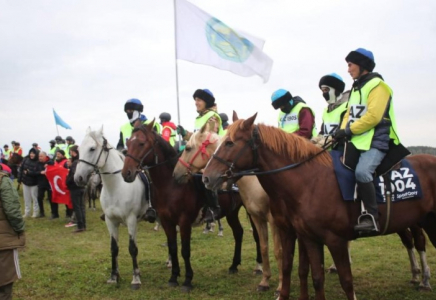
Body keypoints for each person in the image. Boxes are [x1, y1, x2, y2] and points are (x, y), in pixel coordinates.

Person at [335, 48, 401, 232]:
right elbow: (349, 113)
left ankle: (372, 217)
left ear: (362, 65)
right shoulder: (357, 88)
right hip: (356, 141)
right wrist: (341, 131)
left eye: (350, 65)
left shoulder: (378, 86)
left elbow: (374, 117)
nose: (348, 70)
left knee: (362, 173)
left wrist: (348, 130)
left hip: (376, 142)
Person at [177, 89, 223, 222]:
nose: (196, 103)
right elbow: (197, 138)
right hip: (200, 153)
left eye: (199, 100)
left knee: (203, 173)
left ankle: (214, 208)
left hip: (211, 154)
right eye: (195, 100)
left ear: (206, 102)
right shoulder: (199, 118)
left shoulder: (212, 117)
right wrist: (185, 134)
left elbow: (209, 138)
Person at [0, 164, 25, 300]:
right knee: (4, 281)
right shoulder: (3, 181)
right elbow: (12, 209)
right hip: (3, 240)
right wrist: (19, 229)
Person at [311, 73, 349, 149]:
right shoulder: (326, 110)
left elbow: (342, 132)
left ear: (336, 89)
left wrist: (321, 145)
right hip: (325, 151)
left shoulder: (347, 106)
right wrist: (313, 142)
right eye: (322, 91)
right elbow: (323, 132)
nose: (324, 93)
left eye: (326, 90)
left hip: (340, 149)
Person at [29, 151, 57, 219]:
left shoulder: (50, 162)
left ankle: (54, 213)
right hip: (41, 183)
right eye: (39, 156)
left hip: (49, 183)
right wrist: (40, 172)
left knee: (51, 199)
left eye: (41, 156)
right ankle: (41, 212)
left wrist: (49, 165)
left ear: (45, 156)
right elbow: (33, 172)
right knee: (39, 197)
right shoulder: (37, 163)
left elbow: (55, 168)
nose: (40, 158)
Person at [66, 146, 86, 233]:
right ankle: (83, 225)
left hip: (75, 187)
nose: (70, 154)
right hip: (82, 187)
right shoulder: (81, 162)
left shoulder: (75, 163)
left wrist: (68, 181)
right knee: (81, 207)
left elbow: (73, 176)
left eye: (70, 152)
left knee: (77, 207)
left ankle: (80, 225)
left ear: (74, 153)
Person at [18, 148, 40, 218]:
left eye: (33, 153)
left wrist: (29, 172)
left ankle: (35, 212)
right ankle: (27, 212)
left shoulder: (38, 162)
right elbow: (21, 169)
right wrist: (19, 179)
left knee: (34, 198)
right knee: (26, 198)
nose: (32, 154)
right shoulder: (25, 160)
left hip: (34, 183)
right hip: (25, 182)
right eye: (31, 153)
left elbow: (38, 173)